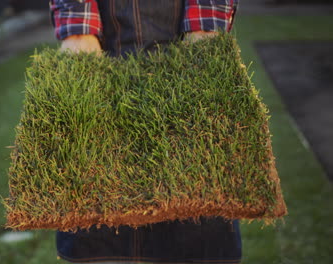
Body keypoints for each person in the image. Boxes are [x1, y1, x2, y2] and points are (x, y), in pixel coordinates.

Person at [49, 1, 241, 263]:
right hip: (103, 49)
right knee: (97, 233)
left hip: (186, 53)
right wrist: (78, 28)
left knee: (199, 224)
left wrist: (205, 24)